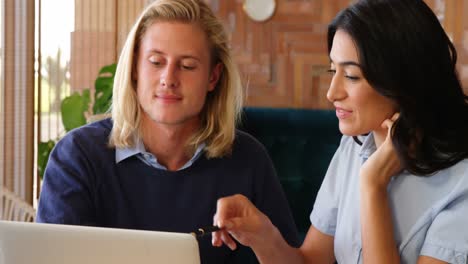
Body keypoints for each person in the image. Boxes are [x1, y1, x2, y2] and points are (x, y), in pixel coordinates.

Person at [36, 0, 299, 263]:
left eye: (187, 66)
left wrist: (265, 237)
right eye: (156, 61)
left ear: (213, 77)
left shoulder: (249, 159)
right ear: (135, 69)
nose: (169, 78)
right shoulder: (77, 157)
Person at [212, 0, 468, 263]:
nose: (331, 92)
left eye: (352, 76)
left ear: (405, 79)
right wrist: (262, 235)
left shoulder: (462, 185)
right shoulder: (354, 146)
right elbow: (311, 261)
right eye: (333, 70)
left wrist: (373, 184)